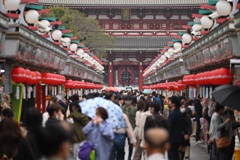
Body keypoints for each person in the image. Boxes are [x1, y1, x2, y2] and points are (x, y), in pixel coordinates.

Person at [122, 95, 137, 160]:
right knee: (122, 143)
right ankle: (123, 154)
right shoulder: (121, 108)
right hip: (122, 128)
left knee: (130, 143)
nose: (127, 101)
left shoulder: (134, 109)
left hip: (131, 128)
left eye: (129, 100)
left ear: (131, 101)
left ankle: (129, 157)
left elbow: (136, 119)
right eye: (126, 100)